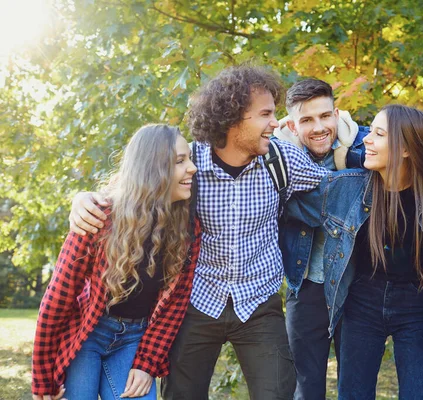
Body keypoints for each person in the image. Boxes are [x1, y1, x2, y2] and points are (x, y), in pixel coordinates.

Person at [67, 65, 330, 400]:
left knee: (278, 392)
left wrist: (348, 141)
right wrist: (81, 199)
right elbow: (132, 192)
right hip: (197, 299)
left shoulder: (281, 159)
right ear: (234, 119)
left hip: (259, 301)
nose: (275, 123)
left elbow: (339, 190)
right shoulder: (188, 163)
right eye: (265, 114)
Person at [286, 104, 423, 399]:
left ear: (405, 148)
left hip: (417, 306)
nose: (365, 139)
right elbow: (285, 200)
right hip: (361, 302)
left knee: (421, 393)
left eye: (378, 134)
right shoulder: (347, 187)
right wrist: (283, 145)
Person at [32, 125, 201, 400]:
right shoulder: (100, 217)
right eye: (180, 161)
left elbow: (174, 304)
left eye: (189, 158)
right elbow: (57, 299)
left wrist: (146, 364)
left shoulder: (188, 228)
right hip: (88, 333)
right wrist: (42, 378)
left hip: (135, 338)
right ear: (153, 169)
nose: (192, 168)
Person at [275, 78, 368, 399]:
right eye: (307, 120)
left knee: (355, 386)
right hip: (307, 286)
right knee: (306, 386)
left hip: (357, 285)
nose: (319, 127)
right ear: (291, 124)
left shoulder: (362, 145)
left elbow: (420, 154)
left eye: (325, 116)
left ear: (337, 114)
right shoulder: (277, 162)